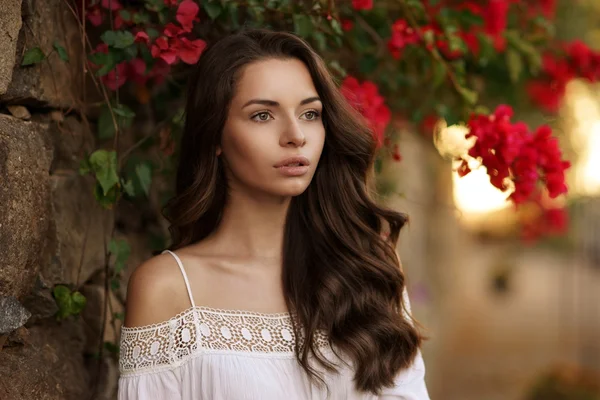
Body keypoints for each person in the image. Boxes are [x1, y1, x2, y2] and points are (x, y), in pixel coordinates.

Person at [117, 28, 430, 400]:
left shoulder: (367, 268)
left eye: (310, 113)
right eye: (263, 115)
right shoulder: (166, 288)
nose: (296, 135)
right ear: (214, 136)